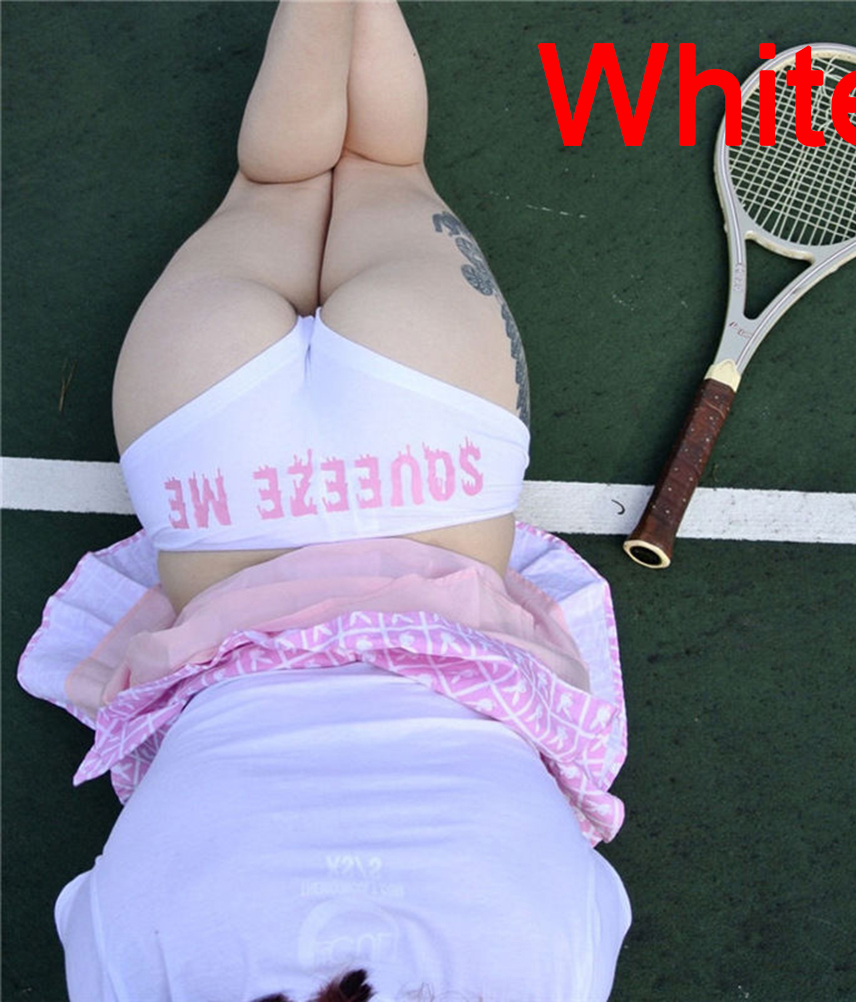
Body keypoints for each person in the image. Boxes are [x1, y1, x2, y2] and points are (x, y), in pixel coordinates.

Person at [17, 3, 630, 999]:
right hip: (216, 473)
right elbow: (90, 904)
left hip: (427, 458)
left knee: (389, 168)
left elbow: (593, 890)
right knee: (276, 183)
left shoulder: (543, 979)